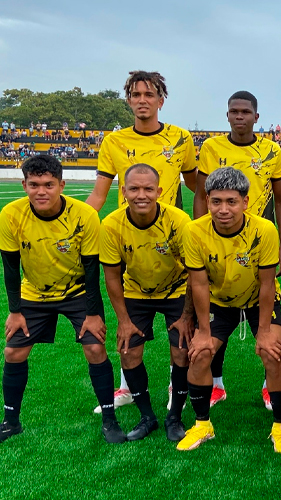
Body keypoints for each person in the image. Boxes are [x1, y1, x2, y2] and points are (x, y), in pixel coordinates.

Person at [85, 70, 198, 413]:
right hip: (127, 242)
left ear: (161, 100)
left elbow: (198, 186)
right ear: (129, 100)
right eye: (136, 94)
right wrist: (76, 226)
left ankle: (171, 384)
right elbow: (99, 195)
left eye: (150, 94)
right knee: (128, 331)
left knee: (181, 332)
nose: (143, 100)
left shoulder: (180, 138)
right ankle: (125, 387)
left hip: (170, 243)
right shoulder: (114, 142)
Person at [0, 156, 125, 443]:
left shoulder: (84, 215)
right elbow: (9, 266)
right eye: (33, 185)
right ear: (24, 185)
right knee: (13, 353)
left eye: (48, 184)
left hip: (77, 292)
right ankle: (10, 421)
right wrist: (15, 311)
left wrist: (93, 314)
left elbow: (93, 268)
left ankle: (109, 420)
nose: (40, 191)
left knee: (95, 349)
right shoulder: (10, 215)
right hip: (33, 292)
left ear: (61, 185)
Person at [178, 167, 281, 453]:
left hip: (257, 299)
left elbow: (267, 284)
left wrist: (264, 332)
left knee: (272, 352)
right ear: (206, 200)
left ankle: (280, 426)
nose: (223, 209)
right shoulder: (194, 231)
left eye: (231, 201)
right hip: (219, 301)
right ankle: (203, 424)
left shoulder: (264, 230)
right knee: (200, 353)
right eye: (216, 201)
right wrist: (204, 332)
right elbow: (199, 285)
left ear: (246, 201)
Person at [193, 91, 281, 409]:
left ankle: (268, 385)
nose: (239, 116)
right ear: (227, 115)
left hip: (257, 243)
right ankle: (216, 384)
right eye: (233, 111)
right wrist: (200, 235)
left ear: (256, 117)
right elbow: (199, 192)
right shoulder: (211, 148)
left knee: (268, 325)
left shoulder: (271, 150)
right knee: (213, 312)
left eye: (245, 112)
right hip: (217, 240)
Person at [100, 164, 194, 443]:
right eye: (135, 189)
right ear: (124, 191)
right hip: (136, 292)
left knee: (181, 351)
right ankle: (147, 417)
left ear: (159, 192)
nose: (141, 195)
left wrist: (188, 315)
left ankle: (174, 417)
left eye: (148, 189)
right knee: (128, 353)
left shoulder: (178, 221)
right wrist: (123, 321)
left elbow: (194, 271)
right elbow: (112, 277)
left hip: (176, 291)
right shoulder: (112, 225)